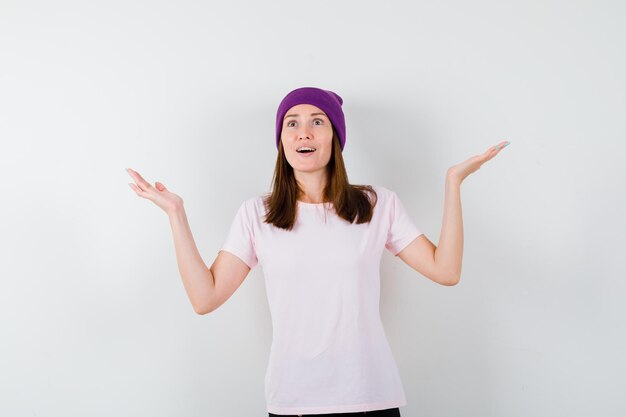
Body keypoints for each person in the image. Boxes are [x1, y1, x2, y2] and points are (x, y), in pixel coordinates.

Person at [126, 87, 509, 416]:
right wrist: (176, 214)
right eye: (291, 122)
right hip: (294, 403)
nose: (303, 132)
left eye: (317, 121)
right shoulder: (257, 215)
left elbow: (446, 271)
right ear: (281, 139)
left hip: (369, 399)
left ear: (335, 137)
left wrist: (453, 183)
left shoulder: (376, 206)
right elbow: (204, 297)